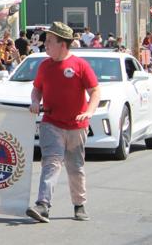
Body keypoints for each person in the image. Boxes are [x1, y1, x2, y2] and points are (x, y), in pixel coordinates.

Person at [26, 21, 100, 224]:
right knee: (51, 162)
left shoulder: (80, 65)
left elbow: (95, 91)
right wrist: (35, 101)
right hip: (51, 122)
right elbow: (37, 88)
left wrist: (89, 112)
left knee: (75, 167)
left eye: (50, 41)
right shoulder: (44, 66)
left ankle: (79, 204)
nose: (45, 45)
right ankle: (43, 205)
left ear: (63, 45)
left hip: (76, 126)